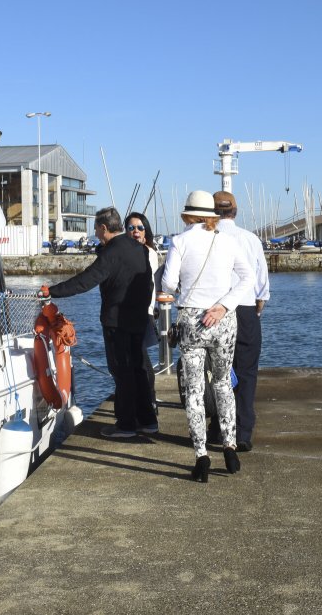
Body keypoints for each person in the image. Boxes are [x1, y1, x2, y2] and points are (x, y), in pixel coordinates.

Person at [162, 190, 253, 482]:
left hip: (192, 320)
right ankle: (229, 445)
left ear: (186, 215)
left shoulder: (180, 242)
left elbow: (168, 282)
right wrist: (223, 305)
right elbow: (248, 278)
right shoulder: (227, 241)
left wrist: (184, 292)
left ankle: (201, 455)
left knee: (195, 390)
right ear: (212, 215)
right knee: (224, 383)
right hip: (223, 319)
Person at [43, 207, 158, 438]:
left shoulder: (112, 252)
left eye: (96, 228)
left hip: (117, 322)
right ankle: (148, 420)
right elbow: (149, 284)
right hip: (138, 318)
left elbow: (85, 281)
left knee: (122, 372)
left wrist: (52, 292)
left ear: (104, 228)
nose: (95, 233)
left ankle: (125, 425)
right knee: (138, 370)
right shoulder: (140, 249)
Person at [212, 190, 269, 452]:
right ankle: (243, 432)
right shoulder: (250, 239)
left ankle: (218, 428)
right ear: (234, 211)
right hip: (245, 308)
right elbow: (261, 280)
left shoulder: (208, 238)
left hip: (214, 311)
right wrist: (258, 305)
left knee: (217, 372)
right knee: (246, 372)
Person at [124, 211, 162, 417]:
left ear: (146, 231)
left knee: (141, 359)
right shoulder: (129, 251)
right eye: (131, 228)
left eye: (140, 228)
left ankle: (150, 399)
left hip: (143, 311)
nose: (136, 231)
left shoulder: (148, 253)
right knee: (136, 358)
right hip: (129, 313)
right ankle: (144, 400)